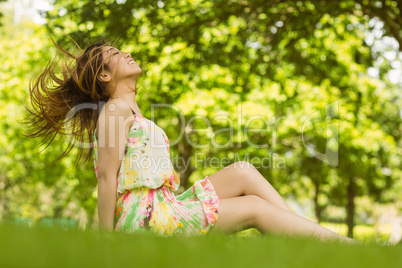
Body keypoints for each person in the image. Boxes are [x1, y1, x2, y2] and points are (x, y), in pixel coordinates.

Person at [25, 39, 357, 244]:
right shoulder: (115, 110)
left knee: (242, 170)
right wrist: (107, 242)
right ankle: (337, 246)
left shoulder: (129, 109)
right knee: (254, 208)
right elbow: (106, 178)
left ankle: (303, 237)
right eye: (114, 54)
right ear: (105, 75)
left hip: (163, 206)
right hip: (146, 220)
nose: (125, 52)